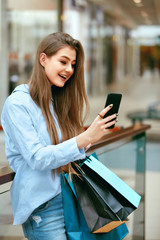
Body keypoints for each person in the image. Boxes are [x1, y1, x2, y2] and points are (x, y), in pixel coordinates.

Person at [1, 32, 118, 240]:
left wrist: (91, 137)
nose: (69, 70)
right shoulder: (17, 104)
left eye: (73, 64)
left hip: (72, 196)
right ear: (43, 59)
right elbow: (37, 157)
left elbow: (63, 150)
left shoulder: (55, 101)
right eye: (63, 61)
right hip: (44, 209)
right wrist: (83, 138)